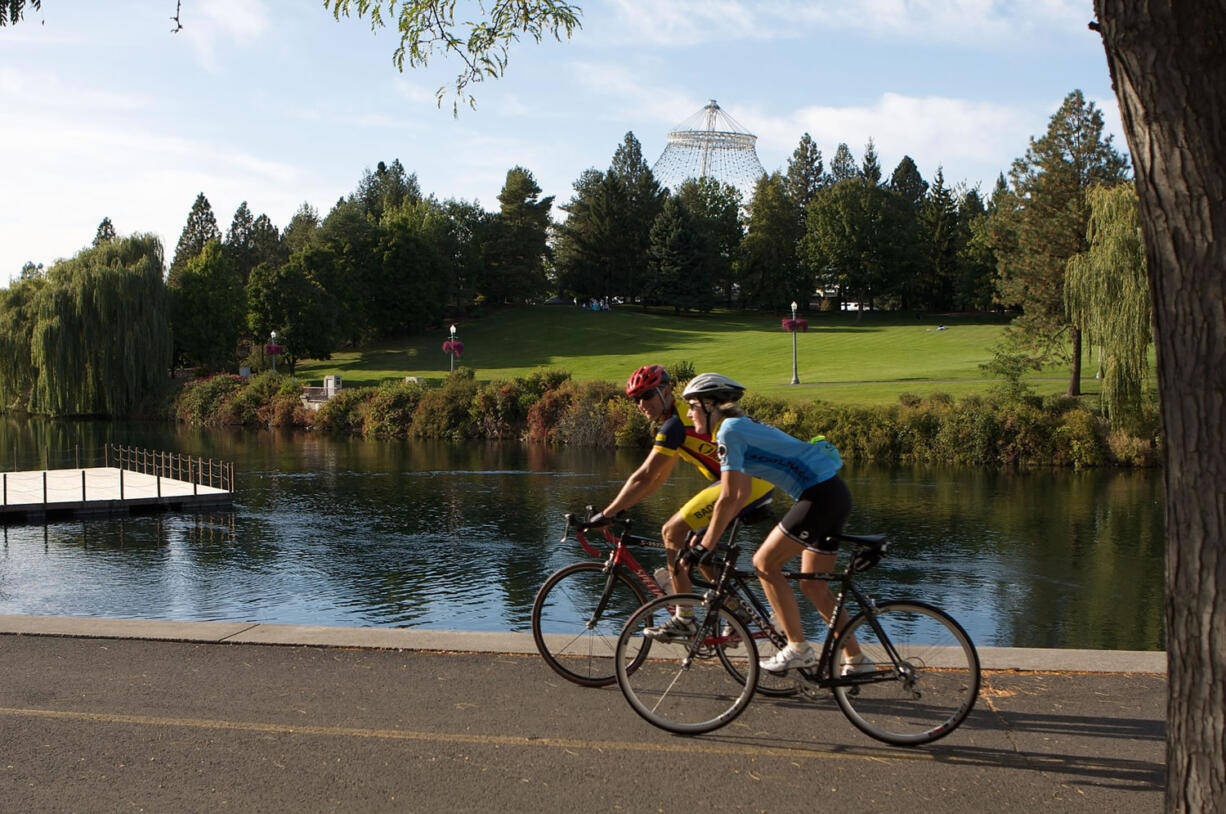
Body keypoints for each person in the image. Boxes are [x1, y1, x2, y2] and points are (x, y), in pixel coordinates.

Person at [671, 372, 869, 676]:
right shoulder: (739, 427)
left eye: (693, 406)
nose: (688, 413)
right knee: (814, 586)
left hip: (819, 496)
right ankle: (857, 661)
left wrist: (706, 546)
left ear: (711, 406)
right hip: (832, 494)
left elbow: (726, 498)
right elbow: (740, 495)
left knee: (764, 563)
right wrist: (711, 536)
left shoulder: (729, 431)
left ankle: (798, 648)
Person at [584, 365, 774, 638]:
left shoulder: (675, 425)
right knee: (697, 551)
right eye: (635, 399)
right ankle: (737, 609)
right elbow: (657, 479)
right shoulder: (677, 422)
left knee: (671, 531)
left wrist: (608, 513)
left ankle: (685, 618)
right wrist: (622, 508)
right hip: (752, 481)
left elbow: (645, 475)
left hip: (746, 483)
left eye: (647, 395)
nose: (641, 404)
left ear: (665, 391)